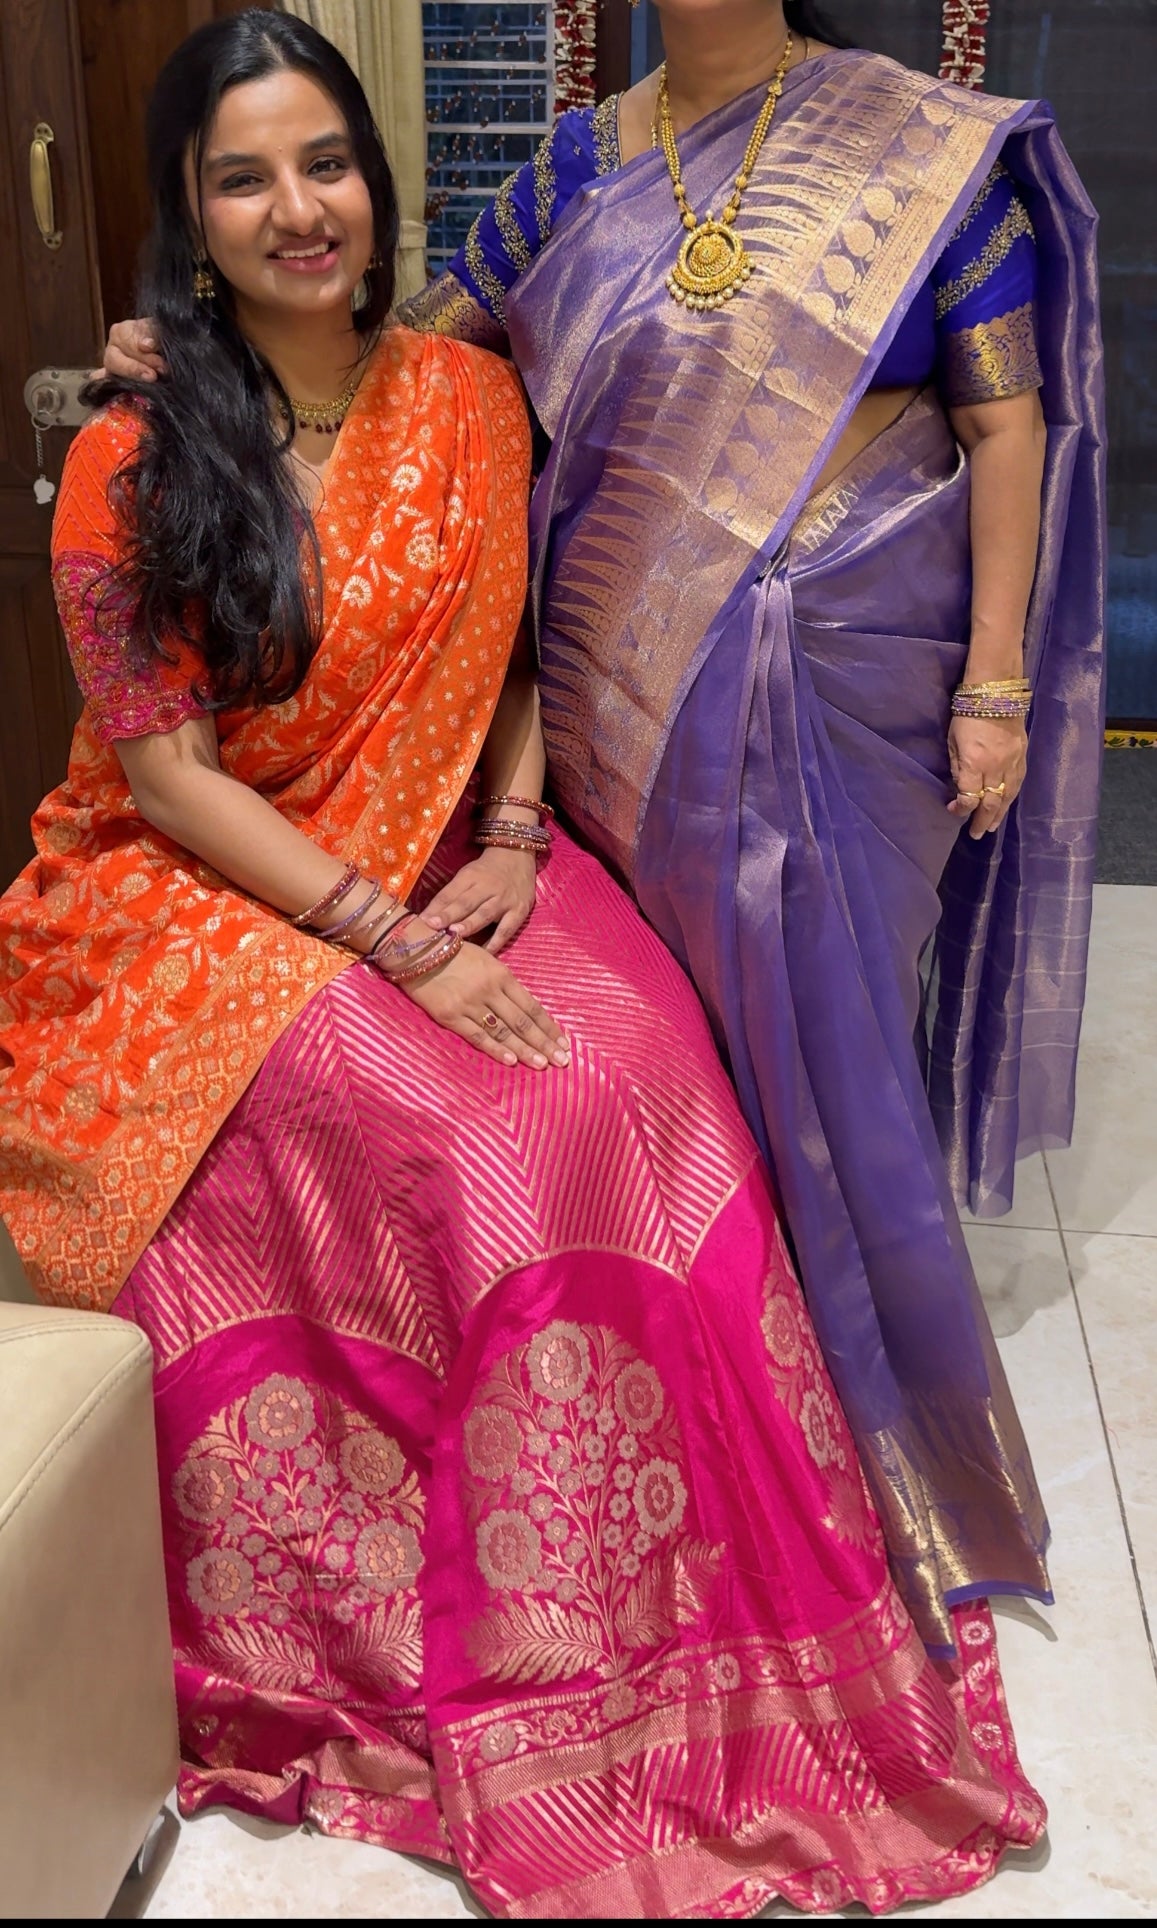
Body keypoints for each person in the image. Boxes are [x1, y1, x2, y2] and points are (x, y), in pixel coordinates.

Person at [0, 12, 1051, 1917]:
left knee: (638, 1085)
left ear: (380, 188)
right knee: (480, 1139)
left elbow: (498, 657)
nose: (295, 206)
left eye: (325, 163)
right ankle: (519, 1656)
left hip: (454, 844)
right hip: (198, 896)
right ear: (186, 216)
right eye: (242, 178)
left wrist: (502, 841)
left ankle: (729, 1621)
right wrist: (394, 942)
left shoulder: (467, 402)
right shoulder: (138, 457)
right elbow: (158, 773)